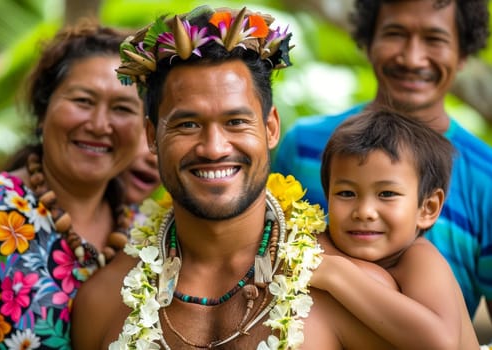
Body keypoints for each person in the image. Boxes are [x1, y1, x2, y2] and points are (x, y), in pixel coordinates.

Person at [72, 6, 403, 350]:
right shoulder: (103, 302)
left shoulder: (355, 294)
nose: (214, 148)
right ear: (152, 136)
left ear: (271, 128)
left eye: (236, 122)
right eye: (188, 124)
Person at [273, 0, 492, 323]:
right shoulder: (302, 146)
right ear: (369, 39)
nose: (412, 58)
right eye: (395, 33)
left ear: (462, 52)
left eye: (435, 39)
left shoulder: (486, 178)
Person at [0, 21, 144, 349]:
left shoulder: (144, 233)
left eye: (122, 108)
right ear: (43, 110)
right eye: (83, 101)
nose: (100, 125)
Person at [309, 108, 478, 348]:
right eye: (346, 193)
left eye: (387, 194)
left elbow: (441, 342)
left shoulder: (420, 258)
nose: (365, 211)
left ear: (427, 208)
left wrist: (336, 273)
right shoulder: (323, 241)